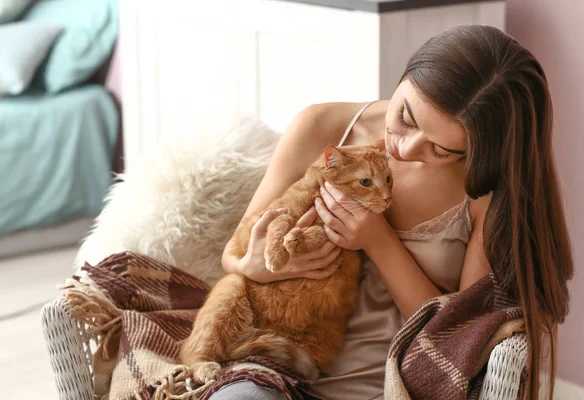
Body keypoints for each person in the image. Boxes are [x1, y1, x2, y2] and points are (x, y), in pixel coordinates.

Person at [212, 25, 573, 400]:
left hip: (390, 387)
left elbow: (458, 334)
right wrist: (253, 265)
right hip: (271, 369)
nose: (404, 147)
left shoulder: (483, 195)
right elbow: (231, 256)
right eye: (407, 118)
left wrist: (379, 242)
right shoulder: (322, 127)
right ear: (405, 75)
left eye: (441, 150)